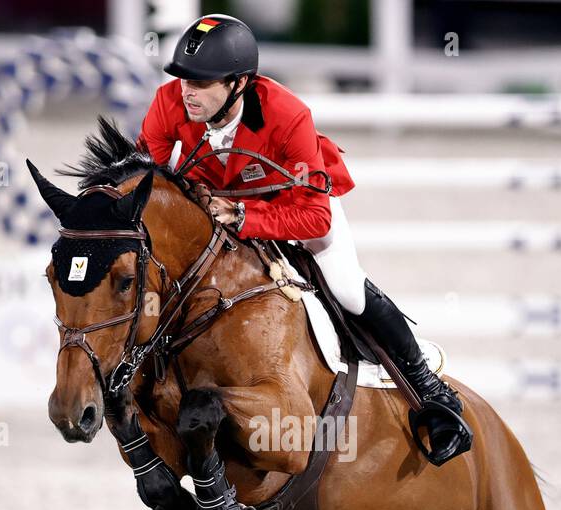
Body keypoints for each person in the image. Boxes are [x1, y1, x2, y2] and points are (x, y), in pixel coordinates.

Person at [137, 13, 471, 466]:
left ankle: (432, 392)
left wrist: (242, 214)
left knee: (348, 288)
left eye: (200, 82)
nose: (186, 92)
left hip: (292, 205)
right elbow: (146, 186)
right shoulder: (169, 103)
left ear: (238, 84)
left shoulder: (287, 114)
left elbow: (313, 216)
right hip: (214, 209)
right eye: (182, 80)